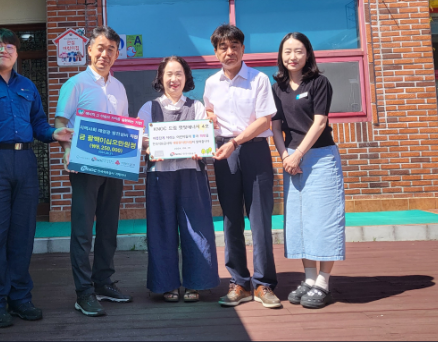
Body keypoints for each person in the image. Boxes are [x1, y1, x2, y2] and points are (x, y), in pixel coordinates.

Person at [0, 28, 73, 328]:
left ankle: (20, 298)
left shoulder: (27, 86)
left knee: (22, 234)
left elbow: (38, 124)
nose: (3, 50)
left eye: (9, 46)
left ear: (17, 53)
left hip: (25, 162)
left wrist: (55, 134)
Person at [55, 26, 133, 317]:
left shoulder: (119, 87)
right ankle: (84, 292)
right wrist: (66, 153)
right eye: (100, 48)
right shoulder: (75, 84)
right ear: (89, 50)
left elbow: (124, 127)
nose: (105, 54)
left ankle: (103, 282)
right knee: (83, 230)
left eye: (111, 49)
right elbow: (62, 122)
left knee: (109, 228)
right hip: (85, 166)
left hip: (114, 165)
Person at [203, 24, 281, 309]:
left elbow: (264, 121)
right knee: (231, 218)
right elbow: (209, 110)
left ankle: (263, 284)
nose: (229, 52)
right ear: (215, 52)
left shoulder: (259, 79)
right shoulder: (211, 83)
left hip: (254, 150)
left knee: (260, 219)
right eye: (223, 47)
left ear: (242, 49)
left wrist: (235, 142)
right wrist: (210, 115)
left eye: (234, 46)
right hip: (224, 152)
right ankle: (238, 281)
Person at [270, 32, 346, 309]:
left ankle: (324, 281)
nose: (293, 57)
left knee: (323, 219)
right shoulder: (276, 87)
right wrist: (285, 156)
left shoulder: (319, 82)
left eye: (298, 51)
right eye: (287, 51)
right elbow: (275, 127)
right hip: (292, 159)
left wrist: (299, 153)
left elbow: (320, 121)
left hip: (320, 156)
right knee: (301, 219)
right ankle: (309, 278)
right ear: (281, 55)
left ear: (308, 54)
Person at [137, 56, 220, 303]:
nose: (174, 79)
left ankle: (196, 283)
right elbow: (141, 140)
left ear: (186, 78)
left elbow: (207, 142)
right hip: (159, 176)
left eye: (179, 74)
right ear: (161, 78)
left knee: (196, 228)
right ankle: (166, 284)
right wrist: (147, 145)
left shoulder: (196, 107)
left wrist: (202, 147)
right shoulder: (148, 108)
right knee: (161, 229)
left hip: (191, 174)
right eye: (169, 74)